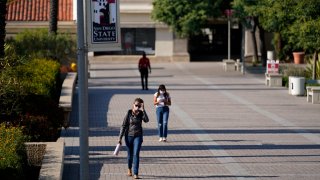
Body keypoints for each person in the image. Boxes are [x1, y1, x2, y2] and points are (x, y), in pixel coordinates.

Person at [118, 98, 149, 179]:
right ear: (133, 105)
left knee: (136, 154)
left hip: (138, 136)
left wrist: (144, 110)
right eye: (136, 105)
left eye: (139, 106)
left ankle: (136, 173)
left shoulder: (141, 113)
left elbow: (146, 120)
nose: (137, 107)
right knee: (130, 155)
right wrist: (120, 138)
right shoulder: (129, 113)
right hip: (128, 136)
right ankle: (129, 169)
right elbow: (124, 125)